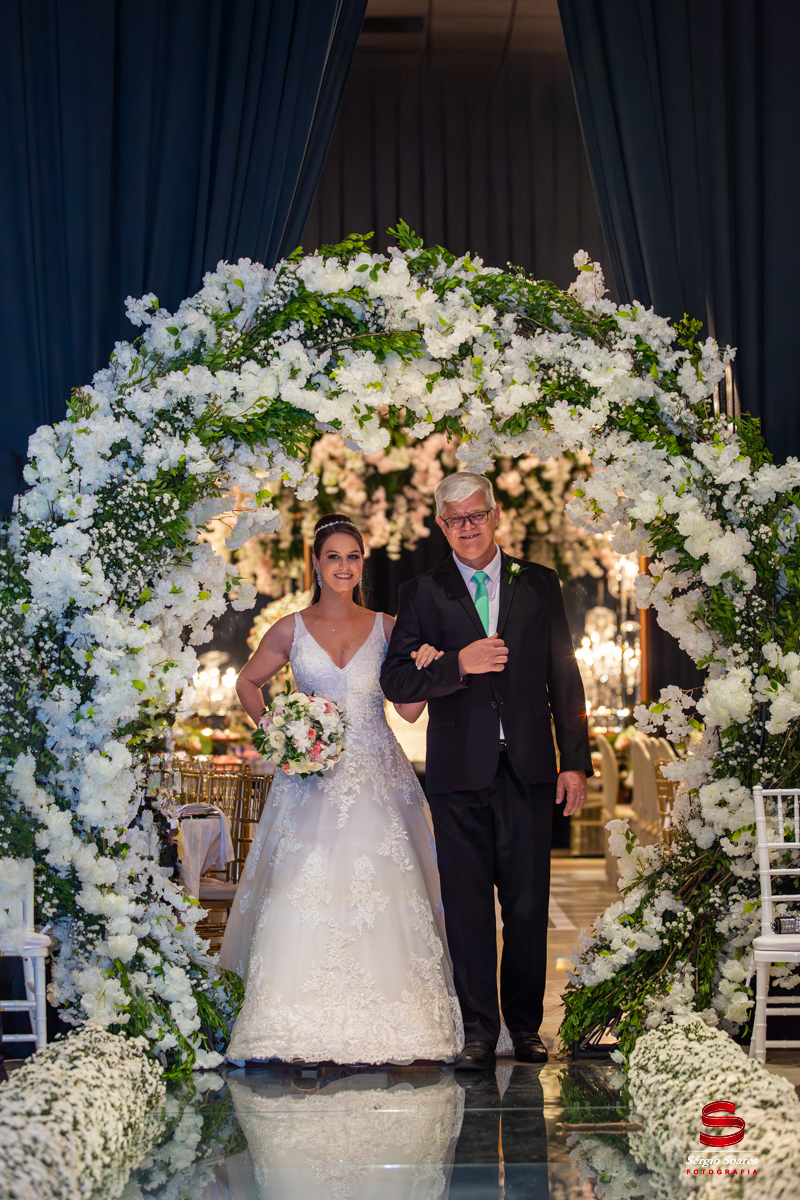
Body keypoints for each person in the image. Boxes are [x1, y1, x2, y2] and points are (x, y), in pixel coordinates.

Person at [219, 513, 463, 1065]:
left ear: (362, 565)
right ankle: (292, 1020)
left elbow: (407, 710)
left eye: (353, 557)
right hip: (310, 783)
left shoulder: (388, 626)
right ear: (316, 562)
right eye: (334, 556)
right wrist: (281, 732)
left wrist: (426, 668)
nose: (344, 566)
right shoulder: (289, 628)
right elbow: (248, 682)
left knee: (386, 891)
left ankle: (401, 1020)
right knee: (303, 888)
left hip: (379, 777)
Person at [380, 472, 591, 1070]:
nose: (467, 527)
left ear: (495, 515)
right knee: (468, 907)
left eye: (476, 515)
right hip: (457, 771)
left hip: (528, 766)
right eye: (455, 519)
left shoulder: (538, 582)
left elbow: (565, 675)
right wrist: (457, 663)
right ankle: (477, 1031)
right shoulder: (421, 591)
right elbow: (396, 680)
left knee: (527, 906)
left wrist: (575, 762)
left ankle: (524, 1027)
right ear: (441, 525)